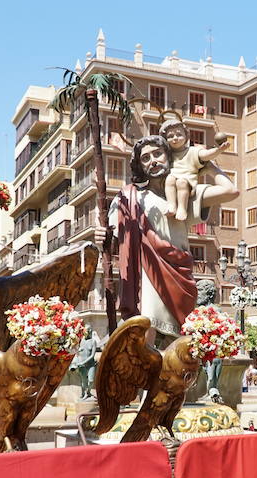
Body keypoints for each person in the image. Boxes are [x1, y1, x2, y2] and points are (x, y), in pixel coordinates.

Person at [96, 135, 238, 343]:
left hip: (179, 271)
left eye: (157, 154)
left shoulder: (186, 194)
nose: (152, 160)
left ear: (169, 156)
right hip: (147, 271)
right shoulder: (130, 196)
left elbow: (230, 191)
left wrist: (205, 165)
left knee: (180, 342)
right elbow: (113, 234)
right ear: (140, 165)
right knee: (147, 323)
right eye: (145, 158)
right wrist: (102, 235)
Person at [159, 119, 231, 221]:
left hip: (188, 182)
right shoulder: (167, 155)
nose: (175, 138)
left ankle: (182, 208)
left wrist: (218, 150)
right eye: (170, 136)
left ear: (186, 136)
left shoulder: (193, 151)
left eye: (179, 135)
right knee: (169, 179)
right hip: (171, 180)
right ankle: (171, 205)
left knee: (181, 182)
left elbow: (206, 155)